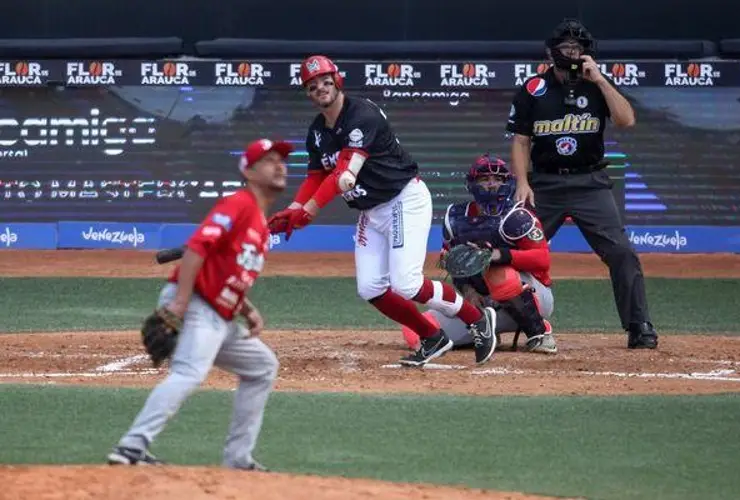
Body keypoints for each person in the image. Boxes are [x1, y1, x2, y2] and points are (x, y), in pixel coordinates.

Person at [267, 54, 498, 367]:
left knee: (408, 284)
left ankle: (478, 320)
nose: (320, 88)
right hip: (371, 210)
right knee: (370, 288)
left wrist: (307, 211)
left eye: (325, 80)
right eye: (312, 86)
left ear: (337, 80)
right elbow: (316, 175)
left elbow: (344, 176)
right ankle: (432, 337)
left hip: (403, 199)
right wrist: (293, 208)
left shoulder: (363, 114)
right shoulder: (317, 131)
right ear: (307, 94)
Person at [106, 138, 291, 469]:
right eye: (268, 160)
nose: (279, 165)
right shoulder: (239, 204)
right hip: (195, 303)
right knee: (190, 372)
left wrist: (247, 309)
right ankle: (131, 447)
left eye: (281, 160)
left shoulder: (259, 222)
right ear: (248, 171)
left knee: (262, 367)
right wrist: (179, 303)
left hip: (219, 315)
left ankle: (237, 458)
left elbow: (227, 271)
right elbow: (196, 250)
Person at [506, 18, 658, 349]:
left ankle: (639, 324)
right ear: (553, 52)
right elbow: (520, 141)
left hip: (590, 183)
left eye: (578, 48)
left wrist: (600, 79)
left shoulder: (596, 85)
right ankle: (494, 317)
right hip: (544, 184)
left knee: (621, 252)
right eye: (566, 48)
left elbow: (626, 120)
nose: (573, 53)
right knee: (511, 251)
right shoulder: (534, 89)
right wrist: (522, 182)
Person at [402, 154, 557, 354]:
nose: (492, 185)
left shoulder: (518, 216)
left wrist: (498, 255)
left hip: (532, 297)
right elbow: (452, 261)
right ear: (472, 185)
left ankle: (540, 332)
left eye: (498, 179)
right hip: (482, 300)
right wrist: (466, 289)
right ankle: (488, 330)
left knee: (498, 273)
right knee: (415, 332)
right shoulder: (455, 217)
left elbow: (542, 260)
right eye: (485, 179)